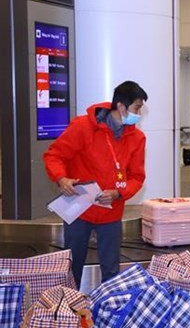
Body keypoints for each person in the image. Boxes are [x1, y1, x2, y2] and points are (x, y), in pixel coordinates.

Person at [43, 81, 148, 288]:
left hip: (111, 212)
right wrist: (61, 179)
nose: (139, 113)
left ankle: (108, 312)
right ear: (120, 106)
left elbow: (137, 176)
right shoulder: (82, 127)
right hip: (79, 208)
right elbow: (54, 156)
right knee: (73, 267)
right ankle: (70, 311)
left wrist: (119, 193)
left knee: (111, 269)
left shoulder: (137, 138)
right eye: (137, 108)